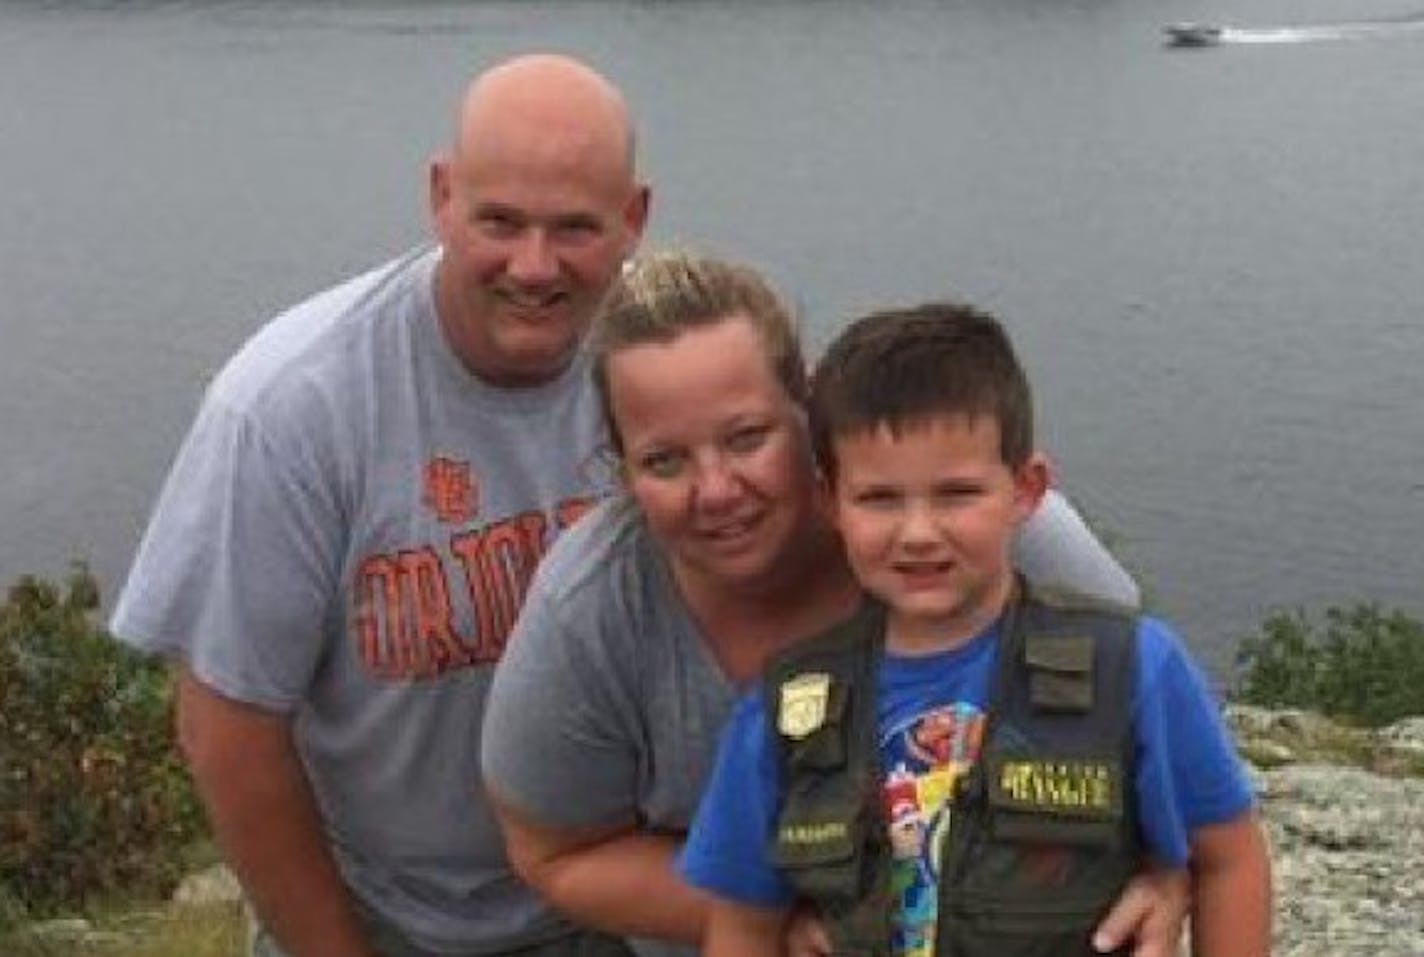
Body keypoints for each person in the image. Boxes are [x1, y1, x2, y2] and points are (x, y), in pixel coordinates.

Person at [481, 252, 1193, 957]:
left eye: (747, 437)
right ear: (622, 469)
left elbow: (1144, 713)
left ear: (810, 407)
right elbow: (553, 852)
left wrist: (1171, 868)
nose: (717, 489)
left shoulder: (990, 532)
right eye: (665, 460)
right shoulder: (589, 611)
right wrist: (791, 919)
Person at [109, 54, 649, 957]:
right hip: (381, 921)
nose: (534, 265)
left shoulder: (671, 370)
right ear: (441, 195)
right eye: (500, 221)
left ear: (634, 219)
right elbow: (230, 731)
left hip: (614, 910)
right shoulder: (293, 405)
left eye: (575, 228)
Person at [678, 302, 1273, 957]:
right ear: (830, 503)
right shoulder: (785, 708)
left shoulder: (1133, 667)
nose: (918, 533)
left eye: (957, 493)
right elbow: (741, 925)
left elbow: (1230, 858)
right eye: (879, 498)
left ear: (1024, 489)